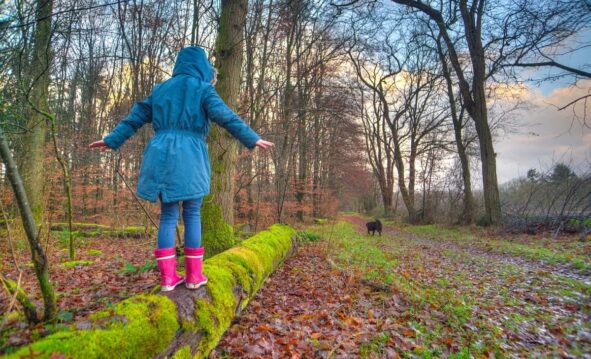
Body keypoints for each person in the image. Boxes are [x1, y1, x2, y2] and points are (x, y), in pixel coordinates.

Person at [89, 46, 273, 291]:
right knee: (192, 212)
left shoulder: (160, 89)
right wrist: (251, 137)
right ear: (202, 67)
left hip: (160, 152)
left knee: (168, 215)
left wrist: (112, 139)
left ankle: (167, 279)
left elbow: (134, 118)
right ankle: (194, 276)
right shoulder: (203, 89)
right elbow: (225, 116)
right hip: (190, 154)